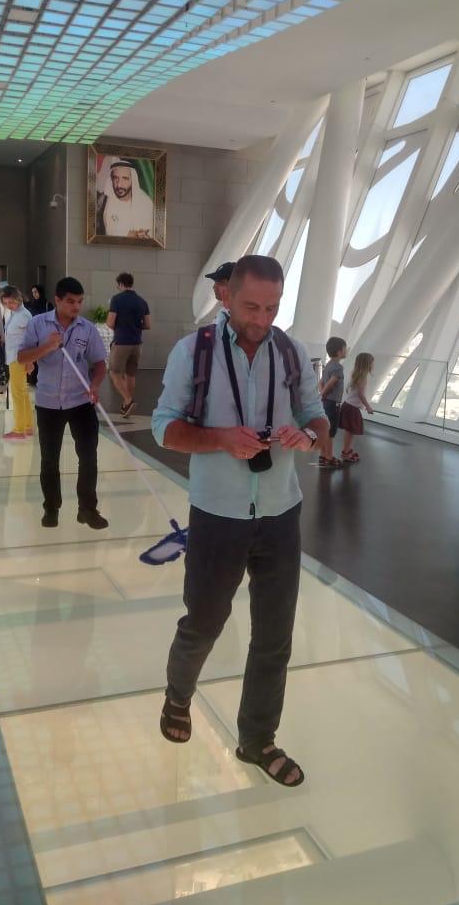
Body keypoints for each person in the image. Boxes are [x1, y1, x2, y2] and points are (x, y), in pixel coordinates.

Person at [152, 255, 329, 788]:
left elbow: (317, 416)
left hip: (280, 514)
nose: (262, 318)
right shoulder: (194, 353)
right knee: (204, 621)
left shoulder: (292, 353)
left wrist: (308, 436)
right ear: (226, 296)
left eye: (272, 308)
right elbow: (164, 427)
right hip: (218, 514)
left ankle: (258, 740)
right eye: (251, 306)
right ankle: (178, 696)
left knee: (275, 636)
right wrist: (220, 439)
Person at [18, 276, 109, 530]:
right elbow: (22, 357)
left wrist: (95, 384)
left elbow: (99, 363)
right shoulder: (38, 324)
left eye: (79, 301)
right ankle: (51, 508)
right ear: (57, 300)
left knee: (88, 457)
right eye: (70, 301)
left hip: (81, 402)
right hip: (48, 403)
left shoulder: (87, 329)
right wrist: (47, 346)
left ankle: (87, 509)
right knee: (49, 459)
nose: (76, 306)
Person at [106, 272, 150, 418]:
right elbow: (148, 325)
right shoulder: (142, 301)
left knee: (114, 372)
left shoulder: (117, 299)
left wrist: (121, 327)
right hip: (137, 344)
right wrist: (134, 327)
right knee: (130, 374)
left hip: (121, 342)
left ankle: (128, 400)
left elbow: (110, 322)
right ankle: (127, 405)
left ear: (120, 284)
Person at [0, 286, 34, 441]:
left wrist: (30, 361)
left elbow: (31, 340)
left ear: (18, 298)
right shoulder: (16, 314)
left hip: (18, 358)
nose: (9, 305)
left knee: (18, 393)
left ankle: (19, 429)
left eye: (11, 302)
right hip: (15, 357)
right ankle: (27, 426)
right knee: (22, 392)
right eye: (6, 303)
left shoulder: (24, 315)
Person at [96, 157, 153, 238]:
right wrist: (133, 234)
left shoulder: (146, 203)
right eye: (116, 178)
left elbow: (150, 233)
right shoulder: (106, 201)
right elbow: (110, 231)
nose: (119, 185)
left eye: (125, 179)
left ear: (133, 180)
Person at [339, 352, 375, 464]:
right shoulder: (362, 378)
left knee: (349, 431)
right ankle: (346, 453)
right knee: (350, 431)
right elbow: (361, 395)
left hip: (348, 405)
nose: (373, 365)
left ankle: (346, 450)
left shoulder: (355, 375)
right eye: (372, 363)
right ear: (367, 364)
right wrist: (368, 407)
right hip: (352, 408)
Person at [318, 337, 347, 468]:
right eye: (345, 349)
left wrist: (322, 394)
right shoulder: (338, 367)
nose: (346, 351)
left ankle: (323, 455)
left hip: (326, 403)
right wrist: (323, 394)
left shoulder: (328, 365)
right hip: (333, 403)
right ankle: (329, 457)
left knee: (326, 429)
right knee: (331, 432)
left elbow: (321, 382)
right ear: (339, 352)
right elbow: (331, 382)